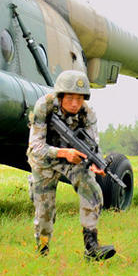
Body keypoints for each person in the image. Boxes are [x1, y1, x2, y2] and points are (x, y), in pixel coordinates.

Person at [27, 70, 116, 260]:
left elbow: (94, 145)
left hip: (74, 159)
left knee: (92, 190)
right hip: (44, 160)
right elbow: (35, 147)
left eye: (80, 98)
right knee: (45, 212)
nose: (75, 103)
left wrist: (96, 163)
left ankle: (91, 246)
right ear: (60, 96)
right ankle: (42, 251)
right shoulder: (44, 106)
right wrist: (62, 153)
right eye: (70, 98)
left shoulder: (88, 113)